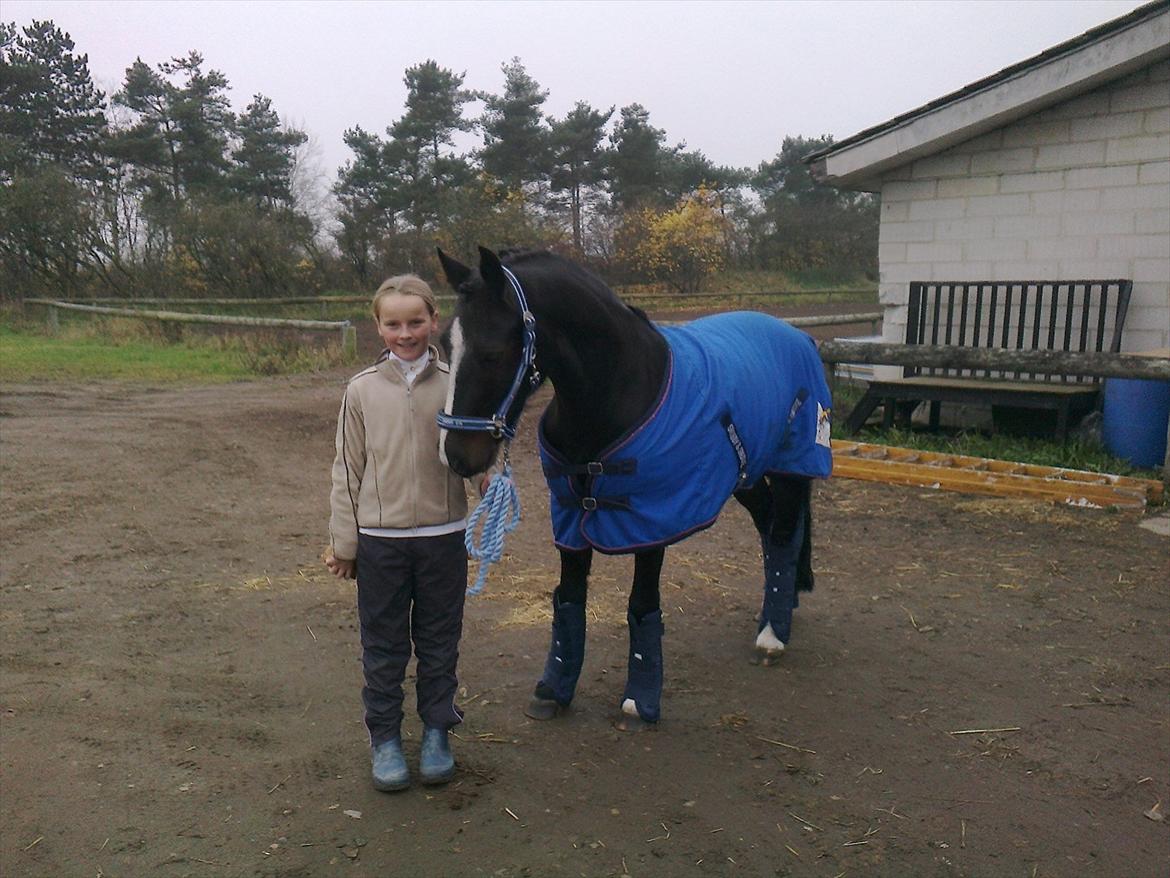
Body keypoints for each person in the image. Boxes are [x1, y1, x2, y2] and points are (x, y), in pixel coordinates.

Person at [324, 274, 470, 792]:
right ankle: (385, 738)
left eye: (416, 321)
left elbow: (478, 452)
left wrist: (496, 483)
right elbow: (348, 469)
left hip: (444, 538)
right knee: (384, 645)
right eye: (393, 323)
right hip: (381, 543)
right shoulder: (361, 389)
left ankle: (436, 732)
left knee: (438, 643)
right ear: (378, 326)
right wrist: (345, 544)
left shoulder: (456, 381)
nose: (405, 333)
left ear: (434, 321)